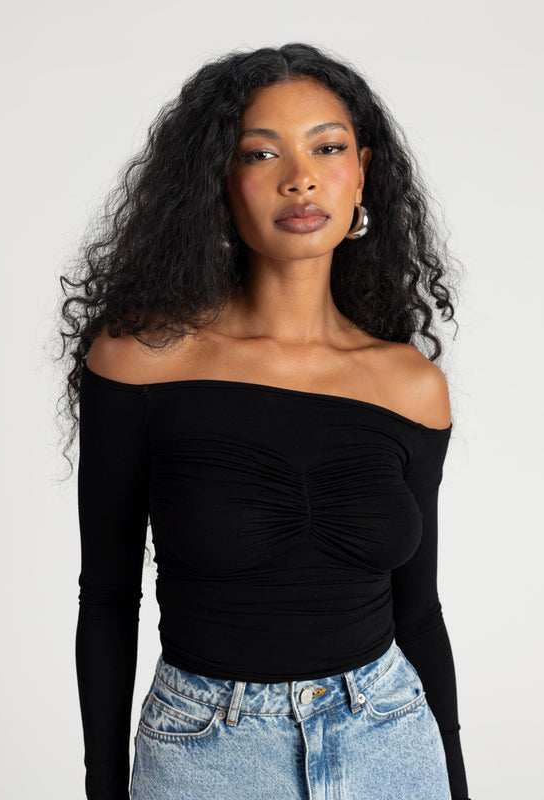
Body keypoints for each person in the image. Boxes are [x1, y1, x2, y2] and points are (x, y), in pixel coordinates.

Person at [59, 42, 471, 799]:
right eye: (260, 153)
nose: (299, 177)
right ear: (218, 179)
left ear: (362, 172)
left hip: (392, 739)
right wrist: (103, 787)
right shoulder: (139, 363)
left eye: (328, 147)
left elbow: (418, 613)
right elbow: (108, 601)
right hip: (206, 755)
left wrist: (455, 782)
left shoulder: (411, 387)